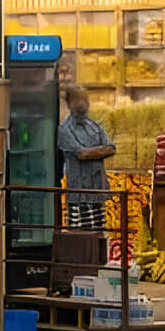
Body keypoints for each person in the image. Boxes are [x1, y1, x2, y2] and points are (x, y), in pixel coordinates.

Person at [57, 87, 115, 230]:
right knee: (80, 237)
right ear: (69, 103)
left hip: (97, 192)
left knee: (99, 234)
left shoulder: (95, 126)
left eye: (84, 99)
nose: (81, 103)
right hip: (79, 196)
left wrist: (90, 152)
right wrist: (100, 150)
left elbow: (112, 148)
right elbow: (81, 154)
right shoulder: (64, 129)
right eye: (77, 99)